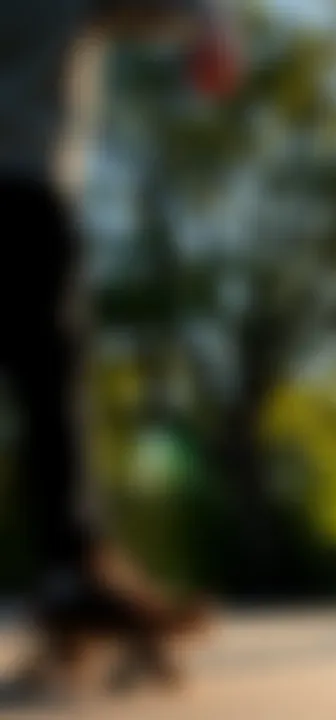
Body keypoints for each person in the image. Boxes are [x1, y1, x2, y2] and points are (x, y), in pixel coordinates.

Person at [0, 0, 239, 692]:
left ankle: (69, 573)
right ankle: (72, 570)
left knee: (42, 388)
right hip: (21, 190)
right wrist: (213, 23)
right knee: (48, 385)